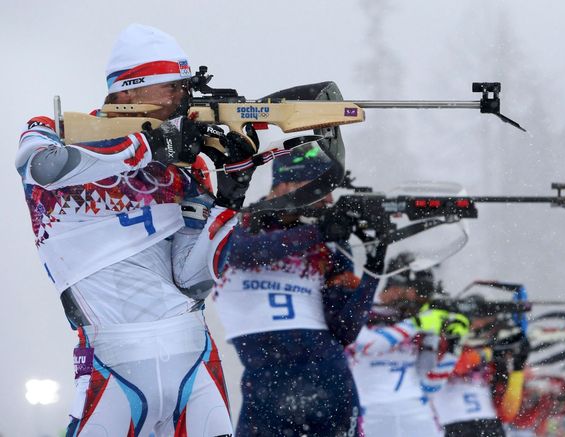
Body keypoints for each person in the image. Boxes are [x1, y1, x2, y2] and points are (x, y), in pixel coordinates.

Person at [16, 23, 253, 436]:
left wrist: (232, 195)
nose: (184, 99)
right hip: (110, 361)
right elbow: (42, 167)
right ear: (127, 90)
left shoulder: (186, 163)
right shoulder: (54, 131)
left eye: (185, 87)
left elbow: (192, 279)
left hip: (193, 357)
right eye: (172, 88)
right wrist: (148, 147)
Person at [204, 146, 384, 437]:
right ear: (283, 186)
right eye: (320, 188)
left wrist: (374, 268)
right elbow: (241, 252)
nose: (328, 199)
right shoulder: (242, 223)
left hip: (329, 379)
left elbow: (345, 330)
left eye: (331, 191)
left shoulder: (328, 239)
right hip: (266, 386)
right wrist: (319, 232)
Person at [347, 253, 469, 437]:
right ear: (396, 285)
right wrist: (416, 324)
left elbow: (430, 385)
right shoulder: (364, 310)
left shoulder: (414, 321)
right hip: (370, 413)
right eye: (420, 292)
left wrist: (453, 347)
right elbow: (367, 344)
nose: (423, 300)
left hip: (415, 411)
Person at [427, 300, 530, 437]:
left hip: (490, 426)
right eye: (484, 325)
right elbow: (453, 366)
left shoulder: (494, 362)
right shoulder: (448, 342)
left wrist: (518, 369)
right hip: (454, 425)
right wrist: (489, 353)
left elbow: (507, 413)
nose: (488, 333)